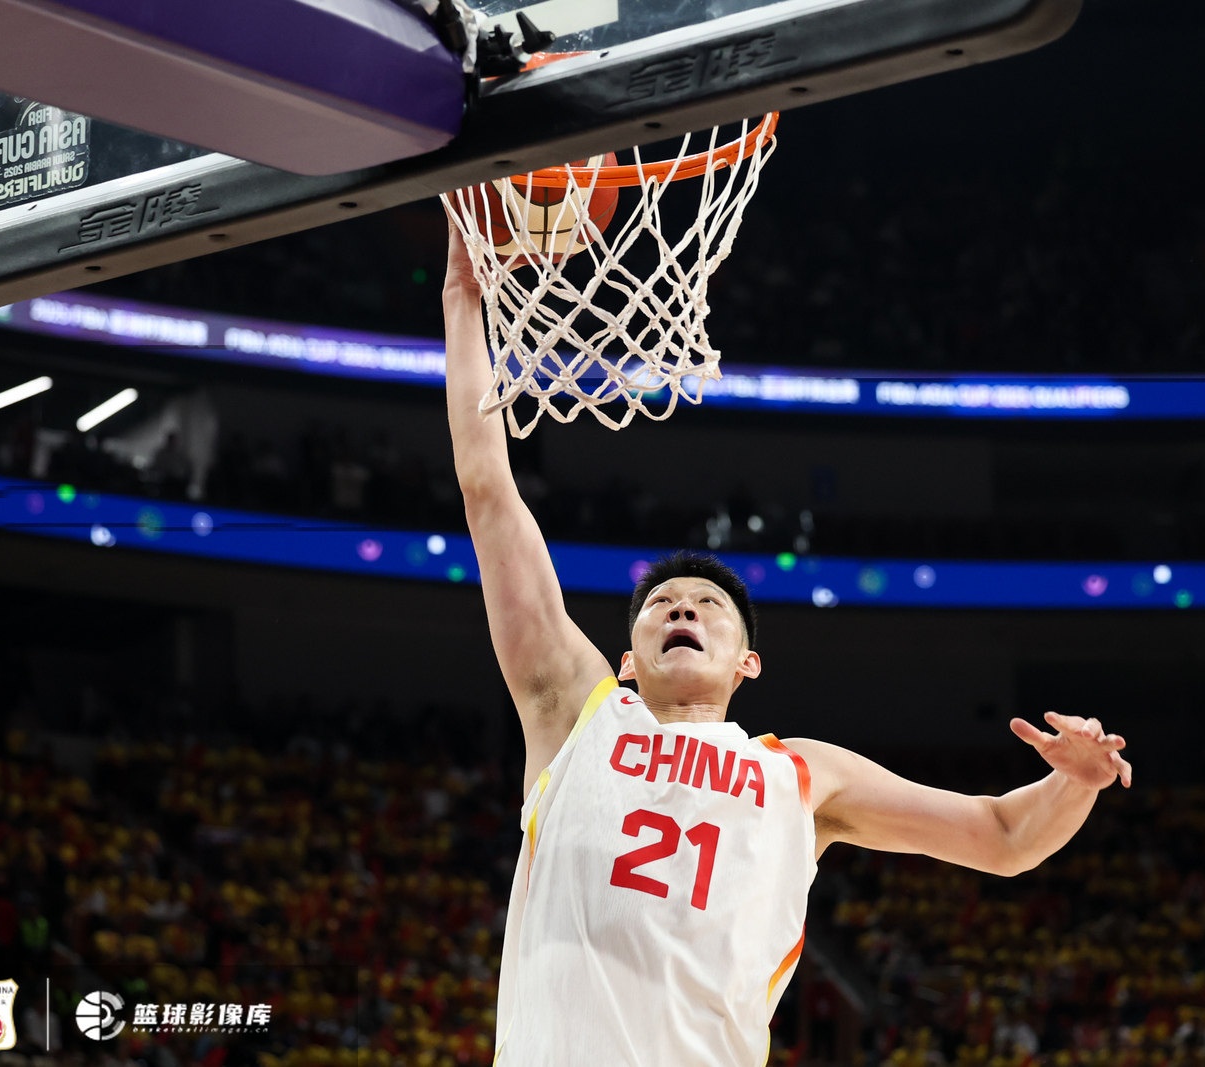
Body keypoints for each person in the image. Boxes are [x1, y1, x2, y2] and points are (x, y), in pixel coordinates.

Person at [439, 199, 1132, 1066]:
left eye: (707, 606)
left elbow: (1001, 835)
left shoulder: (800, 773)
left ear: (748, 662)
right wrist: (463, 300)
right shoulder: (576, 715)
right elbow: (489, 491)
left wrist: (1075, 783)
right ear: (625, 661)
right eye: (661, 604)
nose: (682, 609)